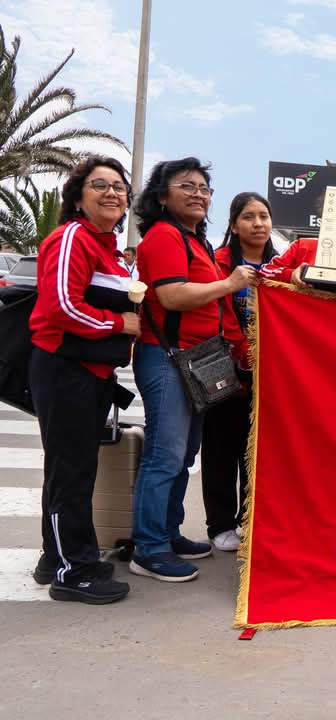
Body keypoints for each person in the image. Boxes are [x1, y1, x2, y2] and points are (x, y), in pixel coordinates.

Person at [130, 157, 255, 582]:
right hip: (167, 358)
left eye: (204, 187)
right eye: (187, 186)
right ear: (162, 196)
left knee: (183, 456)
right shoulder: (165, 236)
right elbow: (173, 297)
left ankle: (167, 533)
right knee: (164, 457)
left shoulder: (193, 239)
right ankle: (148, 548)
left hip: (196, 359)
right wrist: (230, 284)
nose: (199, 193)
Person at [27, 155, 139, 604]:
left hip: (89, 373)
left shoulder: (107, 246)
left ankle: (55, 557)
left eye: (118, 186)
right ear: (77, 196)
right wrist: (119, 324)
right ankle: (75, 571)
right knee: (71, 471)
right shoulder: (73, 237)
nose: (112, 192)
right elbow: (60, 307)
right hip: (64, 369)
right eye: (99, 185)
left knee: (68, 469)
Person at [201, 192, 278, 553]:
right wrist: (246, 352)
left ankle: (251, 520)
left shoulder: (283, 267)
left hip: (270, 374)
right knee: (220, 449)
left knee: (258, 450)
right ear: (234, 225)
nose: (258, 223)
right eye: (249, 217)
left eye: (264, 216)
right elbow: (218, 316)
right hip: (225, 369)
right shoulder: (216, 264)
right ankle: (220, 523)